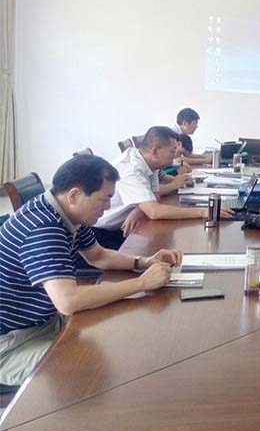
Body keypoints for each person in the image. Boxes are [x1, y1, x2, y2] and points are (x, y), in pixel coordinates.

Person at [0, 155, 182, 386]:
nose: (108, 207)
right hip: (10, 345)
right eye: (104, 199)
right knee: (90, 369)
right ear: (74, 195)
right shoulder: (42, 228)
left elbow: (98, 256)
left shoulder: (66, 214)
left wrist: (144, 261)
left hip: (43, 322)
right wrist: (142, 283)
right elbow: (68, 301)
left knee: (121, 337)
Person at [93, 126, 231, 249]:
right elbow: (154, 212)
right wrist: (204, 212)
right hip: (104, 235)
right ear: (155, 151)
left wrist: (139, 209)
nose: (175, 156)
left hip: (127, 226)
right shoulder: (131, 170)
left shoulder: (149, 162)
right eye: (172, 151)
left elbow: (155, 196)